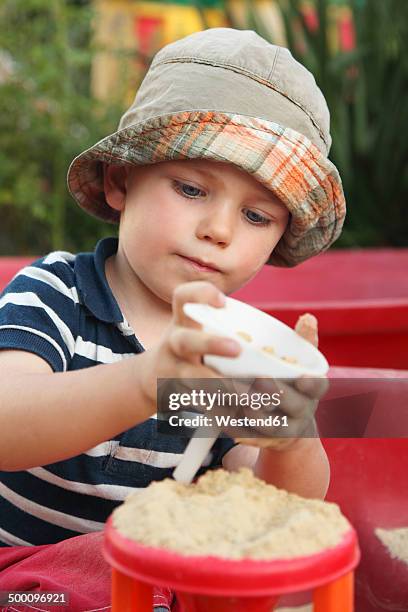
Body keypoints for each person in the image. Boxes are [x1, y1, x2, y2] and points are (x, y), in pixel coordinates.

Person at [0, 27, 345, 610]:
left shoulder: (229, 349)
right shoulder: (58, 295)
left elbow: (267, 505)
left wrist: (290, 436)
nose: (219, 229)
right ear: (121, 182)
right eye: (190, 188)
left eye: (257, 216)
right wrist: (145, 381)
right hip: (25, 578)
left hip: (149, 587)